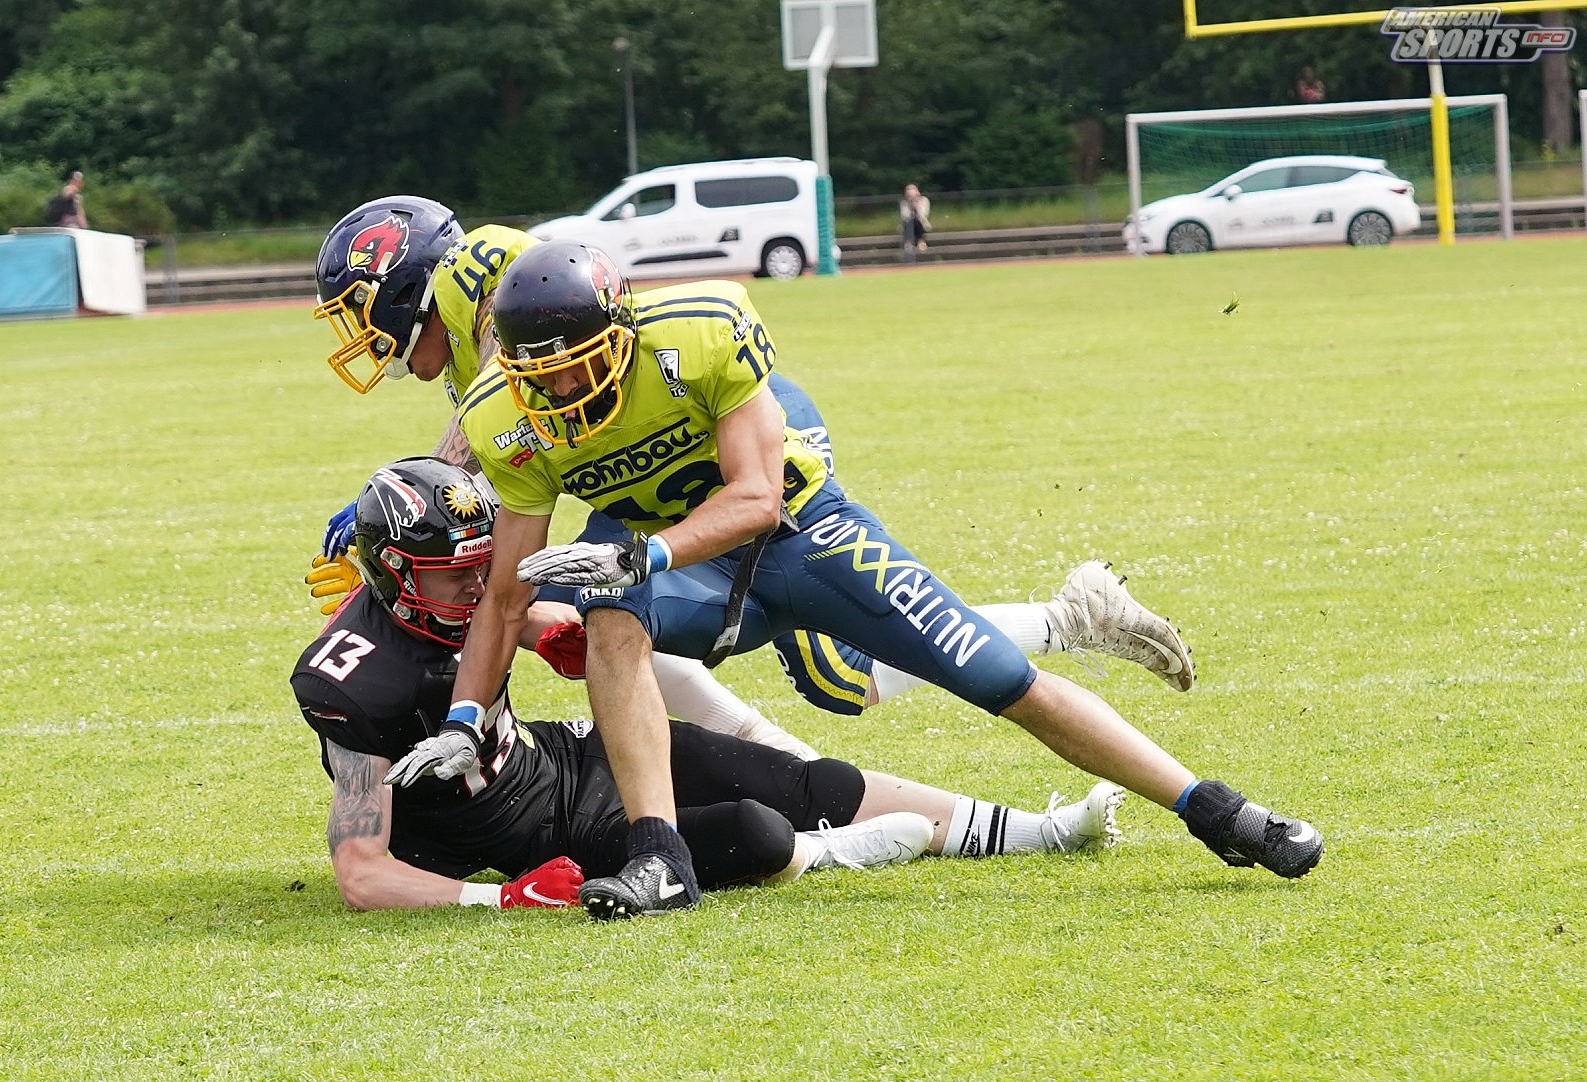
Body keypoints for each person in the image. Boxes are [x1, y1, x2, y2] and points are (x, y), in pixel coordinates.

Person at [393, 240, 1325, 920]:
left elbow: (757, 497)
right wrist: (468, 720)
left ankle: (1216, 809)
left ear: (622, 334)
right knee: (608, 620)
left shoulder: (700, 333)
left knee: (999, 680)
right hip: (689, 570)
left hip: (806, 535)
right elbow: (508, 592)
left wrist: (643, 556)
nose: (562, 394)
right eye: (541, 377)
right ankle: (660, 858)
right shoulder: (507, 416)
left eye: (577, 369)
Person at [307, 195, 1194, 760]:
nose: (359, 332)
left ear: (400, 282)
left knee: (834, 674)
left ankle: (1068, 619)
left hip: (724, 436)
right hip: (655, 469)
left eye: (359, 308)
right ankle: (775, 759)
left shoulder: (488, 273)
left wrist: (403, 498)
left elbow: (498, 416)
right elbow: (503, 432)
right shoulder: (465, 333)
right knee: (609, 613)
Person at [294, 457, 1129, 915]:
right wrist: (501, 901)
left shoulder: (468, 598)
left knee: (806, 781)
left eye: (486, 568)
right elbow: (362, 873)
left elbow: (516, 616)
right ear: (393, 572)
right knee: (755, 832)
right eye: (455, 576)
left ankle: (1046, 831)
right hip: (534, 834)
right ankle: (832, 853)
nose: (481, 589)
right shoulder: (355, 682)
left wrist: (556, 632)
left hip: (563, 757)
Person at [899, 183, 930, 259]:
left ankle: (921, 241)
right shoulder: (904, 203)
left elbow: (922, 215)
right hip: (908, 226)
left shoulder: (924, 200)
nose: (911, 197)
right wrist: (910, 206)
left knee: (916, 220)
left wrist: (916, 207)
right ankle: (908, 243)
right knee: (909, 222)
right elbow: (904, 217)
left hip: (921, 224)